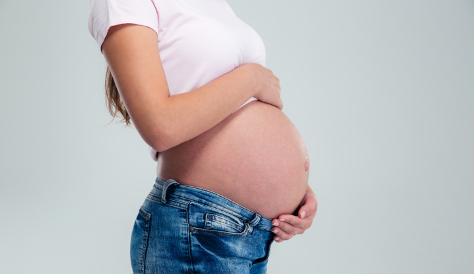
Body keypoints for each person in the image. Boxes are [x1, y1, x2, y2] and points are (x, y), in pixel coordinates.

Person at [88, 0, 318, 273]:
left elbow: (230, 107)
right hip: (198, 229)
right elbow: (159, 126)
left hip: (251, 233)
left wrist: (295, 193)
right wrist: (253, 78)